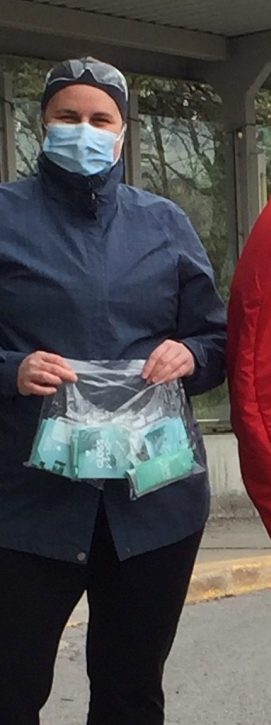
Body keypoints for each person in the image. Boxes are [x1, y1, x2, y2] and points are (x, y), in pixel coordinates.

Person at [0, 57, 226, 724]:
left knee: (131, 691)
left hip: (153, 504)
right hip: (27, 507)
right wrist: (11, 370)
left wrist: (190, 353)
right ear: (40, 123)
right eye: (68, 117)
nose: (84, 130)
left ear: (123, 134)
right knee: (9, 687)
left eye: (101, 119)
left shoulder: (166, 224)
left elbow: (217, 342)